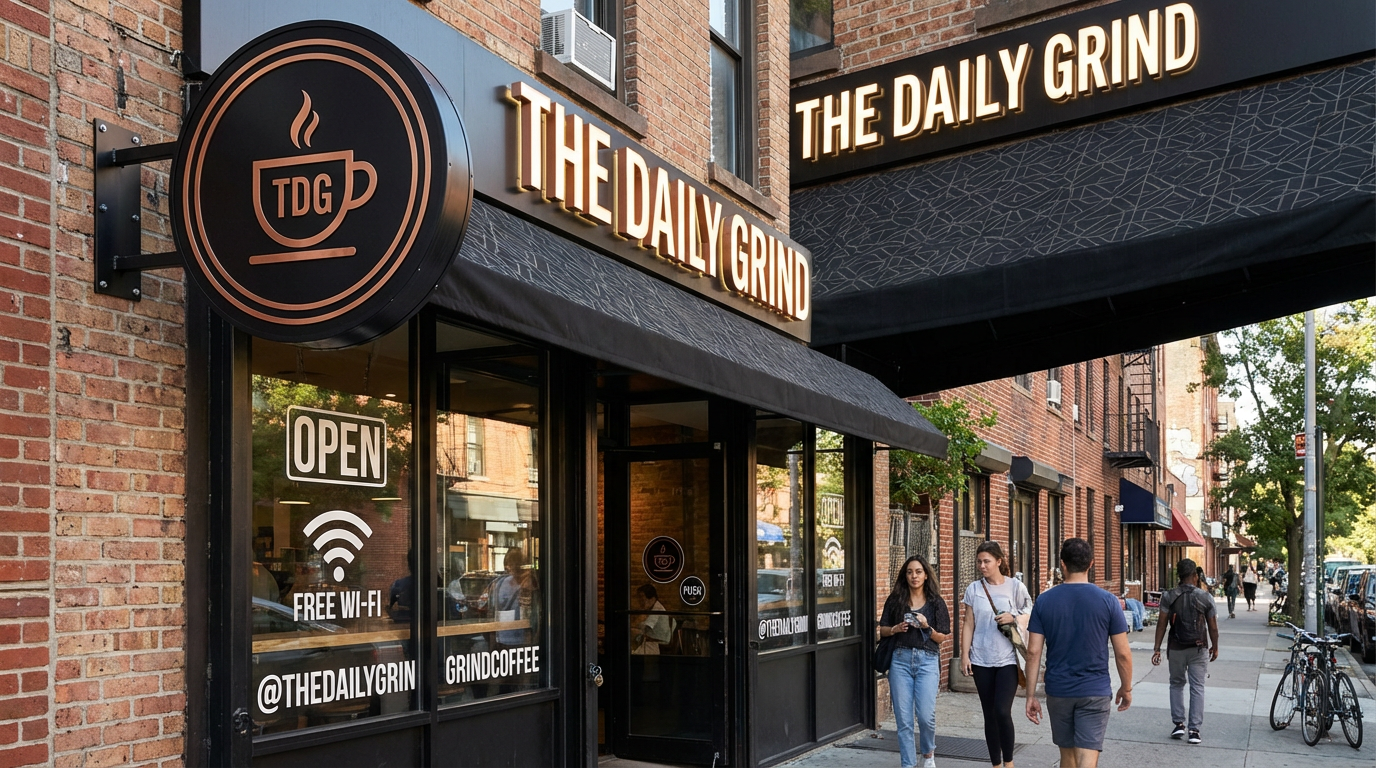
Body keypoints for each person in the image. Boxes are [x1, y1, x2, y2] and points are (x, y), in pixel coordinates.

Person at [1024, 538, 1132, 768]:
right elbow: (1123, 653)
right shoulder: (1108, 601)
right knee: (1088, 757)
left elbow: (1033, 652)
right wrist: (1126, 686)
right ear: (1091, 564)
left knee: (1067, 756)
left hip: (1059, 690)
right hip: (1095, 689)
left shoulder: (1044, 601)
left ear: (1062, 564)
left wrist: (1031, 694)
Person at [960, 541, 1032, 768]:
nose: (982, 566)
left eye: (986, 561)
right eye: (979, 561)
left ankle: (1008, 762)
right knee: (989, 714)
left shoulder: (1015, 586)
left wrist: (1014, 617)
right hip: (981, 658)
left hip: (1007, 659)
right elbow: (968, 623)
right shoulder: (974, 589)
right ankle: (996, 764)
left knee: (1002, 710)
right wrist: (965, 655)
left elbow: (1030, 611)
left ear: (998, 561)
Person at [880, 555, 951, 768]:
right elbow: (882, 630)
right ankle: (908, 764)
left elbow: (941, 637)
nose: (914, 576)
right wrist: (895, 629)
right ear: (905, 575)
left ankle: (928, 753)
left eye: (918, 572)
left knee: (925, 715)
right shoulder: (896, 600)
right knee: (904, 720)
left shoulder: (936, 602)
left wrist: (925, 627)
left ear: (926, 575)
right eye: (910, 572)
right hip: (900, 660)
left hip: (927, 661)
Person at [1152, 558, 1220, 745]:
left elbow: (1162, 624)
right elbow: (1212, 626)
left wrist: (1157, 649)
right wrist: (1215, 646)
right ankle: (1194, 730)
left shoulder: (1168, 596)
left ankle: (1179, 724)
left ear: (1179, 576)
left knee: (1176, 684)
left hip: (1176, 647)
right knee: (1197, 687)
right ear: (1195, 576)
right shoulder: (1205, 597)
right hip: (1198, 648)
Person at [632, 583, 672, 654]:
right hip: (650, 642)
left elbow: (647, 627)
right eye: (639, 597)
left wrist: (636, 625)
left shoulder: (657, 609)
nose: (640, 601)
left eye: (642, 597)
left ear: (652, 598)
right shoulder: (651, 609)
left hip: (655, 644)